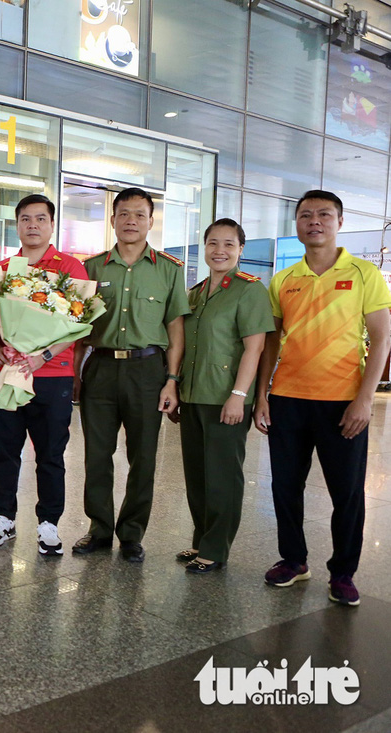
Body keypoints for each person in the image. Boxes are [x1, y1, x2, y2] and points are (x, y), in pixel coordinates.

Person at [255, 190, 391, 606]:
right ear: (296, 224)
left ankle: (344, 572)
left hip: (341, 401)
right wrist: (263, 395)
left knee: (347, 492)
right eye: (305, 215)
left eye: (324, 215)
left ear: (339, 222)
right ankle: (293, 560)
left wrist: (365, 399)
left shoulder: (365, 273)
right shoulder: (283, 279)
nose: (314, 221)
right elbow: (272, 343)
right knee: (285, 487)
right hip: (288, 400)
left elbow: (383, 337)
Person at [73, 187, 189, 563]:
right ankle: (99, 528)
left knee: (144, 457)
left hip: (147, 369)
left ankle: (132, 533)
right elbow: (76, 325)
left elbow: (175, 328)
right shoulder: (91, 268)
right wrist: (75, 374)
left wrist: (172, 379)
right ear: (112, 220)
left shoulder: (169, 270)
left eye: (139, 215)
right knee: (96, 453)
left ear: (150, 222)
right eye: (124, 214)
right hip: (101, 367)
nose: (131, 221)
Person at [0, 194, 87, 556]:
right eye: (25, 219)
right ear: (17, 224)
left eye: (40, 219)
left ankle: (49, 523)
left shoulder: (71, 268)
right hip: (5, 371)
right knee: (4, 449)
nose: (33, 226)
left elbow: (79, 323)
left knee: (51, 453)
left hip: (51, 374)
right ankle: (3, 517)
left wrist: (43, 355)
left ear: (52, 224)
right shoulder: (3, 269)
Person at [177, 218, 273, 573]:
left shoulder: (249, 290)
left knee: (222, 476)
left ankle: (216, 549)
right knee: (197, 474)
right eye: (213, 243)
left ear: (241, 249)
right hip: (193, 395)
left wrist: (238, 395)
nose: (220, 251)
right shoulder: (197, 292)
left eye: (229, 244)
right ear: (204, 248)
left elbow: (255, 348)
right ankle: (202, 538)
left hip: (226, 398)